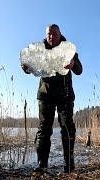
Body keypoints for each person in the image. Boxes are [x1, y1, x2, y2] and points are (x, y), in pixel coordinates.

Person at [21, 24, 82, 173]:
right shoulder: (39, 50)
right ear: (46, 35)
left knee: (67, 128)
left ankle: (69, 165)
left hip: (65, 95)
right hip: (45, 94)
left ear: (60, 34)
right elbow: (30, 68)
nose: (51, 37)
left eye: (54, 34)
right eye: (49, 34)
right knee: (44, 129)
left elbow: (79, 70)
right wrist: (25, 67)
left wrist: (73, 64)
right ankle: (42, 165)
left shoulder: (69, 49)